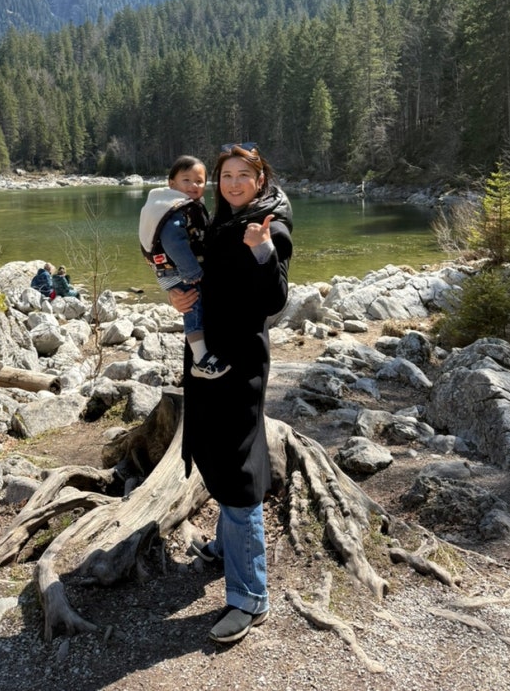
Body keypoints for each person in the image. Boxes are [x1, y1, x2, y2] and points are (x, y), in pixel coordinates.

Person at [170, 142, 293, 645]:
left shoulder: (268, 226)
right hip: (210, 357)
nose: (234, 182)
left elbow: (276, 299)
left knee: (238, 467)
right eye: (227, 175)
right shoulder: (222, 221)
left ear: (260, 180)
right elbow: (200, 276)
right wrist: (181, 295)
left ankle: (249, 597)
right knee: (215, 451)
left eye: (245, 174)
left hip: (239, 361)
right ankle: (227, 549)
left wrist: (262, 250)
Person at [140, 156, 229, 379]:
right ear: (172, 184)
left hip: (169, 268)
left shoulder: (177, 206)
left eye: (199, 181)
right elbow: (173, 241)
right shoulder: (177, 210)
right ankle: (200, 358)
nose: (193, 186)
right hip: (179, 269)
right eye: (186, 180)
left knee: (192, 306)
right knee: (193, 307)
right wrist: (192, 272)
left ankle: (201, 356)